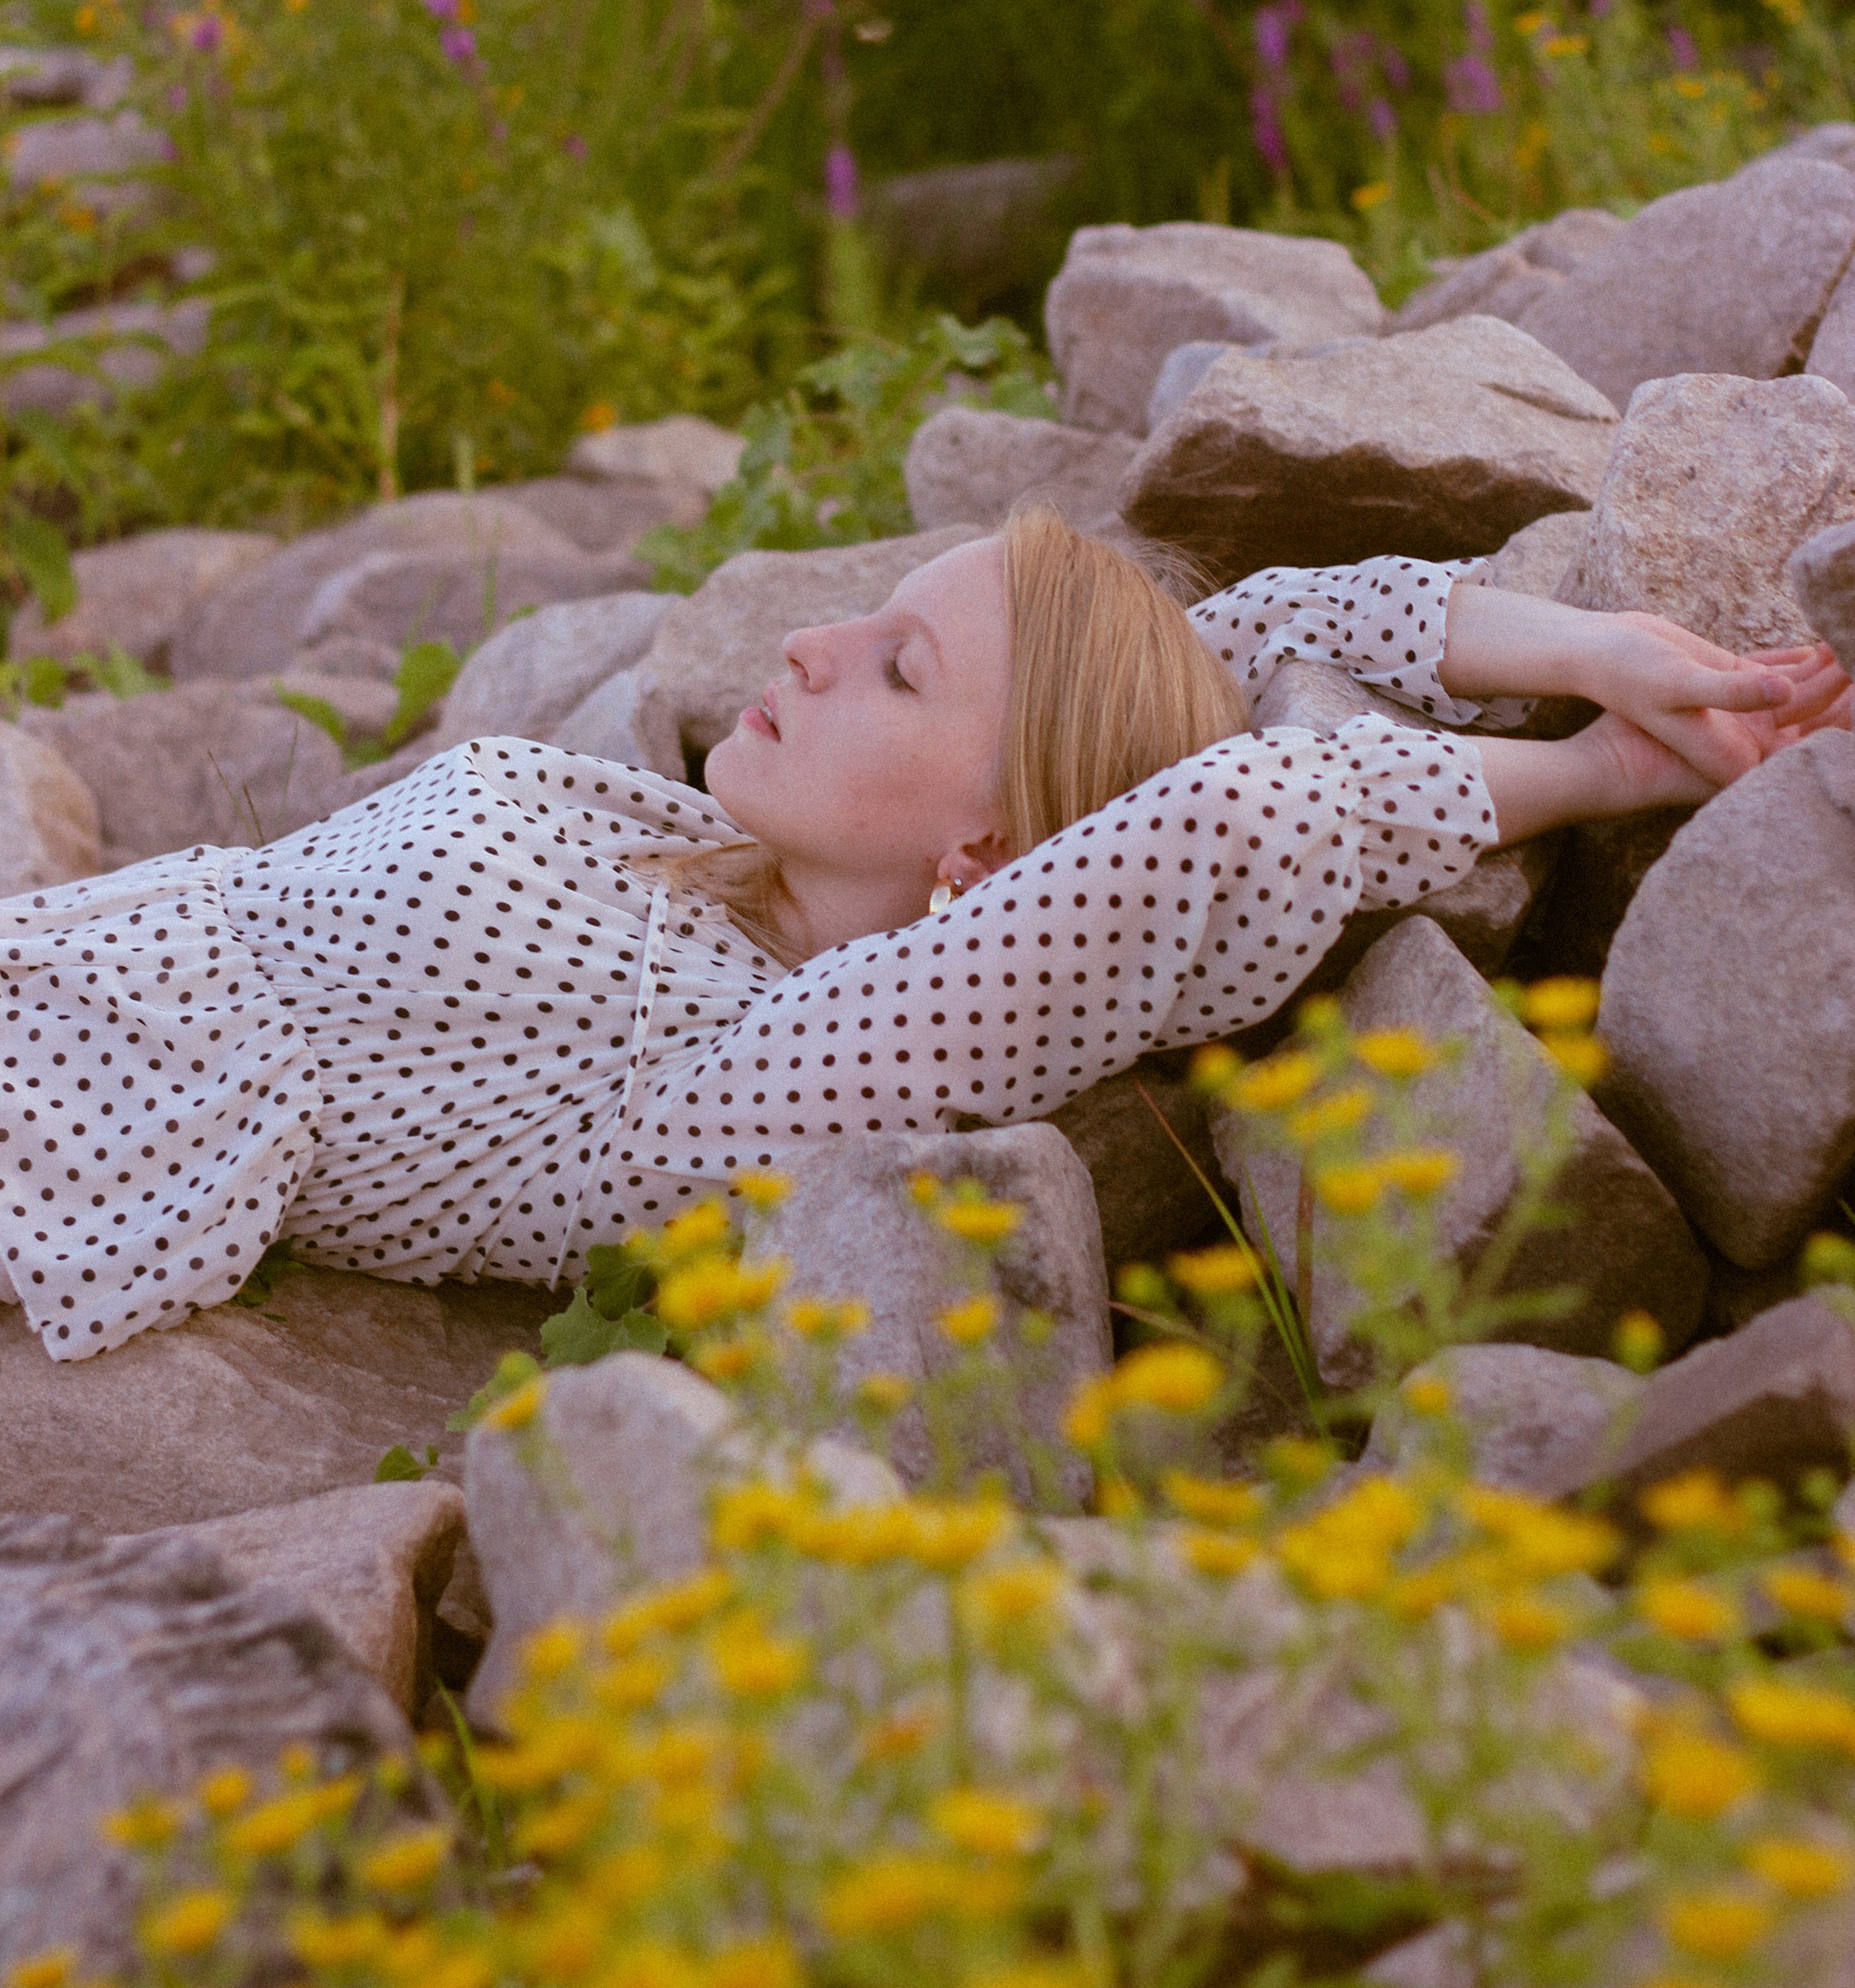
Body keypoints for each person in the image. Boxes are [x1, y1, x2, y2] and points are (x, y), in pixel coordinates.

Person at [0, 510, 1845, 1361]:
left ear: (995, 856)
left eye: (898, 668)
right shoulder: (697, 849)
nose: (809, 645)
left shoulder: (754, 1075)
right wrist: (1590, 648)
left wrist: (1585, 777)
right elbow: (1245, 637)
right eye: (866, 623)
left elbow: (1235, 805)